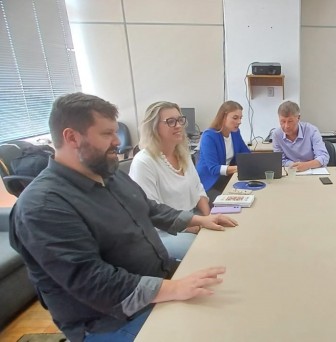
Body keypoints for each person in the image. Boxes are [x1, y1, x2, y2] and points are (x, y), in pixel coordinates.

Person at [9, 93, 238, 342]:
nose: (117, 141)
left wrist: (198, 220)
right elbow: (92, 281)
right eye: (107, 134)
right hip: (109, 321)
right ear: (71, 137)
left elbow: (148, 208)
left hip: (155, 284)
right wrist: (173, 288)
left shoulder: (108, 174)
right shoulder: (43, 206)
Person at [130, 101, 211, 260]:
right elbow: (149, 212)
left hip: (191, 221)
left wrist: (208, 218)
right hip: (163, 232)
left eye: (180, 120)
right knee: (210, 251)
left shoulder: (183, 153)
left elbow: (198, 188)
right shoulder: (144, 162)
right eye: (170, 121)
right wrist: (190, 226)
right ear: (153, 127)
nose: (178, 125)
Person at [196, 101, 250, 202]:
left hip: (226, 179)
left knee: (251, 194)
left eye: (240, 118)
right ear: (223, 117)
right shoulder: (209, 136)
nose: (239, 122)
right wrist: (239, 168)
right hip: (209, 184)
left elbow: (246, 154)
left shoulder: (235, 133)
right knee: (233, 202)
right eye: (235, 118)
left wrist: (257, 164)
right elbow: (214, 169)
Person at [272, 101, 329, 171]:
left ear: (298, 118)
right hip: (291, 172)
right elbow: (280, 160)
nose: (286, 126)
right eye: (283, 121)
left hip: (313, 171)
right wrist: (294, 165)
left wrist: (306, 165)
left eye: (290, 121)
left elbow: (324, 157)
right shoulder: (276, 135)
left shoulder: (311, 130)